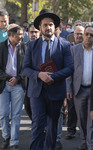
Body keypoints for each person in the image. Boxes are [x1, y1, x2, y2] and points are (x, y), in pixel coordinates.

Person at [22, 9, 74, 150]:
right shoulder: (32, 45)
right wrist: (39, 75)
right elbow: (25, 69)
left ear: (55, 27)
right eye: (45, 25)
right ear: (40, 27)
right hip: (36, 92)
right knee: (38, 125)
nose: (48, 27)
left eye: (51, 24)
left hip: (56, 92)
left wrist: (52, 77)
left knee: (52, 127)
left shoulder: (64, 45)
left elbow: (70, 68)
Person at [66, 26, 93, 150]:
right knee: (81, 119)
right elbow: (69, 71)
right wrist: (68, 88)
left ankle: (91, 144)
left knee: (92, 119)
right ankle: (84, 140)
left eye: (91, 35)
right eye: (86, 34)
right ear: (82, 35)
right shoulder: (74, 50)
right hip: (79, 90)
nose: (88, 37)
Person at [0, 24, 25, 150]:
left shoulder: (24, 48)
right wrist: (8, 78)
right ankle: (6, 137)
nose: (22, 37)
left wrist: (18, 78)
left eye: (22, 34)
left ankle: (14, 142)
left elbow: (27, 68)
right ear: (11, 35)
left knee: (16, 115)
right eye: (19, 35)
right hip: (3, 85)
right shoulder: (1, 47)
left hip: (18, 85)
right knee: (3, 114)